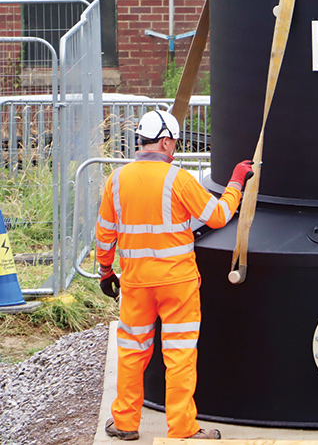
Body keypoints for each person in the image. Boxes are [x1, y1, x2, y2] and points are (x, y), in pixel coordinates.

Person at [96, 110, 253, 441]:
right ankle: (182, 428)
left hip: (136, 283)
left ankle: (125, 423)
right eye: (175, 143)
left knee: (132, 351)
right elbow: (219, 216)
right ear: (165, 141)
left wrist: (105, 270)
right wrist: (236, 181)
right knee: (179, 353)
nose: (175, 149)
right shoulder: (177, 180)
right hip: (177, 284)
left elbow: (105, 232)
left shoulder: (117, 180)